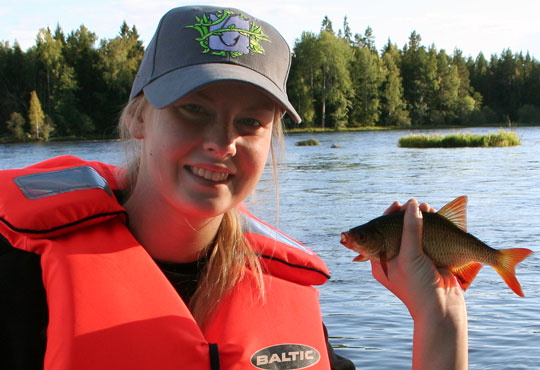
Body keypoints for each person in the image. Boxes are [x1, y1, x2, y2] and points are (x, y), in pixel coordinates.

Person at [0, 5, 467, 370]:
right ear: (138, 117)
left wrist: (441, 319)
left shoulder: (282, 289)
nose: (222, 143)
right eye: (194, 109)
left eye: (250, 122)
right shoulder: (21, 272)